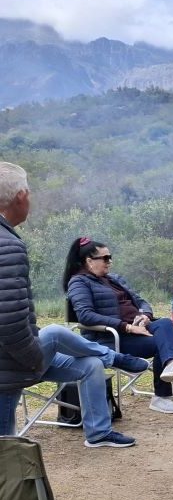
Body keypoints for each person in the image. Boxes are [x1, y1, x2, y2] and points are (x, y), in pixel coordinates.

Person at [0, 161, 145, 447]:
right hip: (13, 361)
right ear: (21, 196)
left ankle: (98, 433)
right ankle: (115, 359)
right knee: (5, 449)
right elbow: (8, 321)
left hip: (15, 353)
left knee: (90, 364)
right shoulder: (8, 246)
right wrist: (34, 361)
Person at [64, 237, 173, 414]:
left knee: (164, 323)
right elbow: (86, 315)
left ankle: (171, 364)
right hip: (112, 338)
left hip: (137, 329)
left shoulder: (114, 279)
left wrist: (144, 315)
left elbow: (141, 301)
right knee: (161, 344)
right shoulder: (79, 282)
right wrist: (127, 327)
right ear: (89, 261)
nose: (109, 262)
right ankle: (161, 397)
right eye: (105, 258)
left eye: (110, 257)